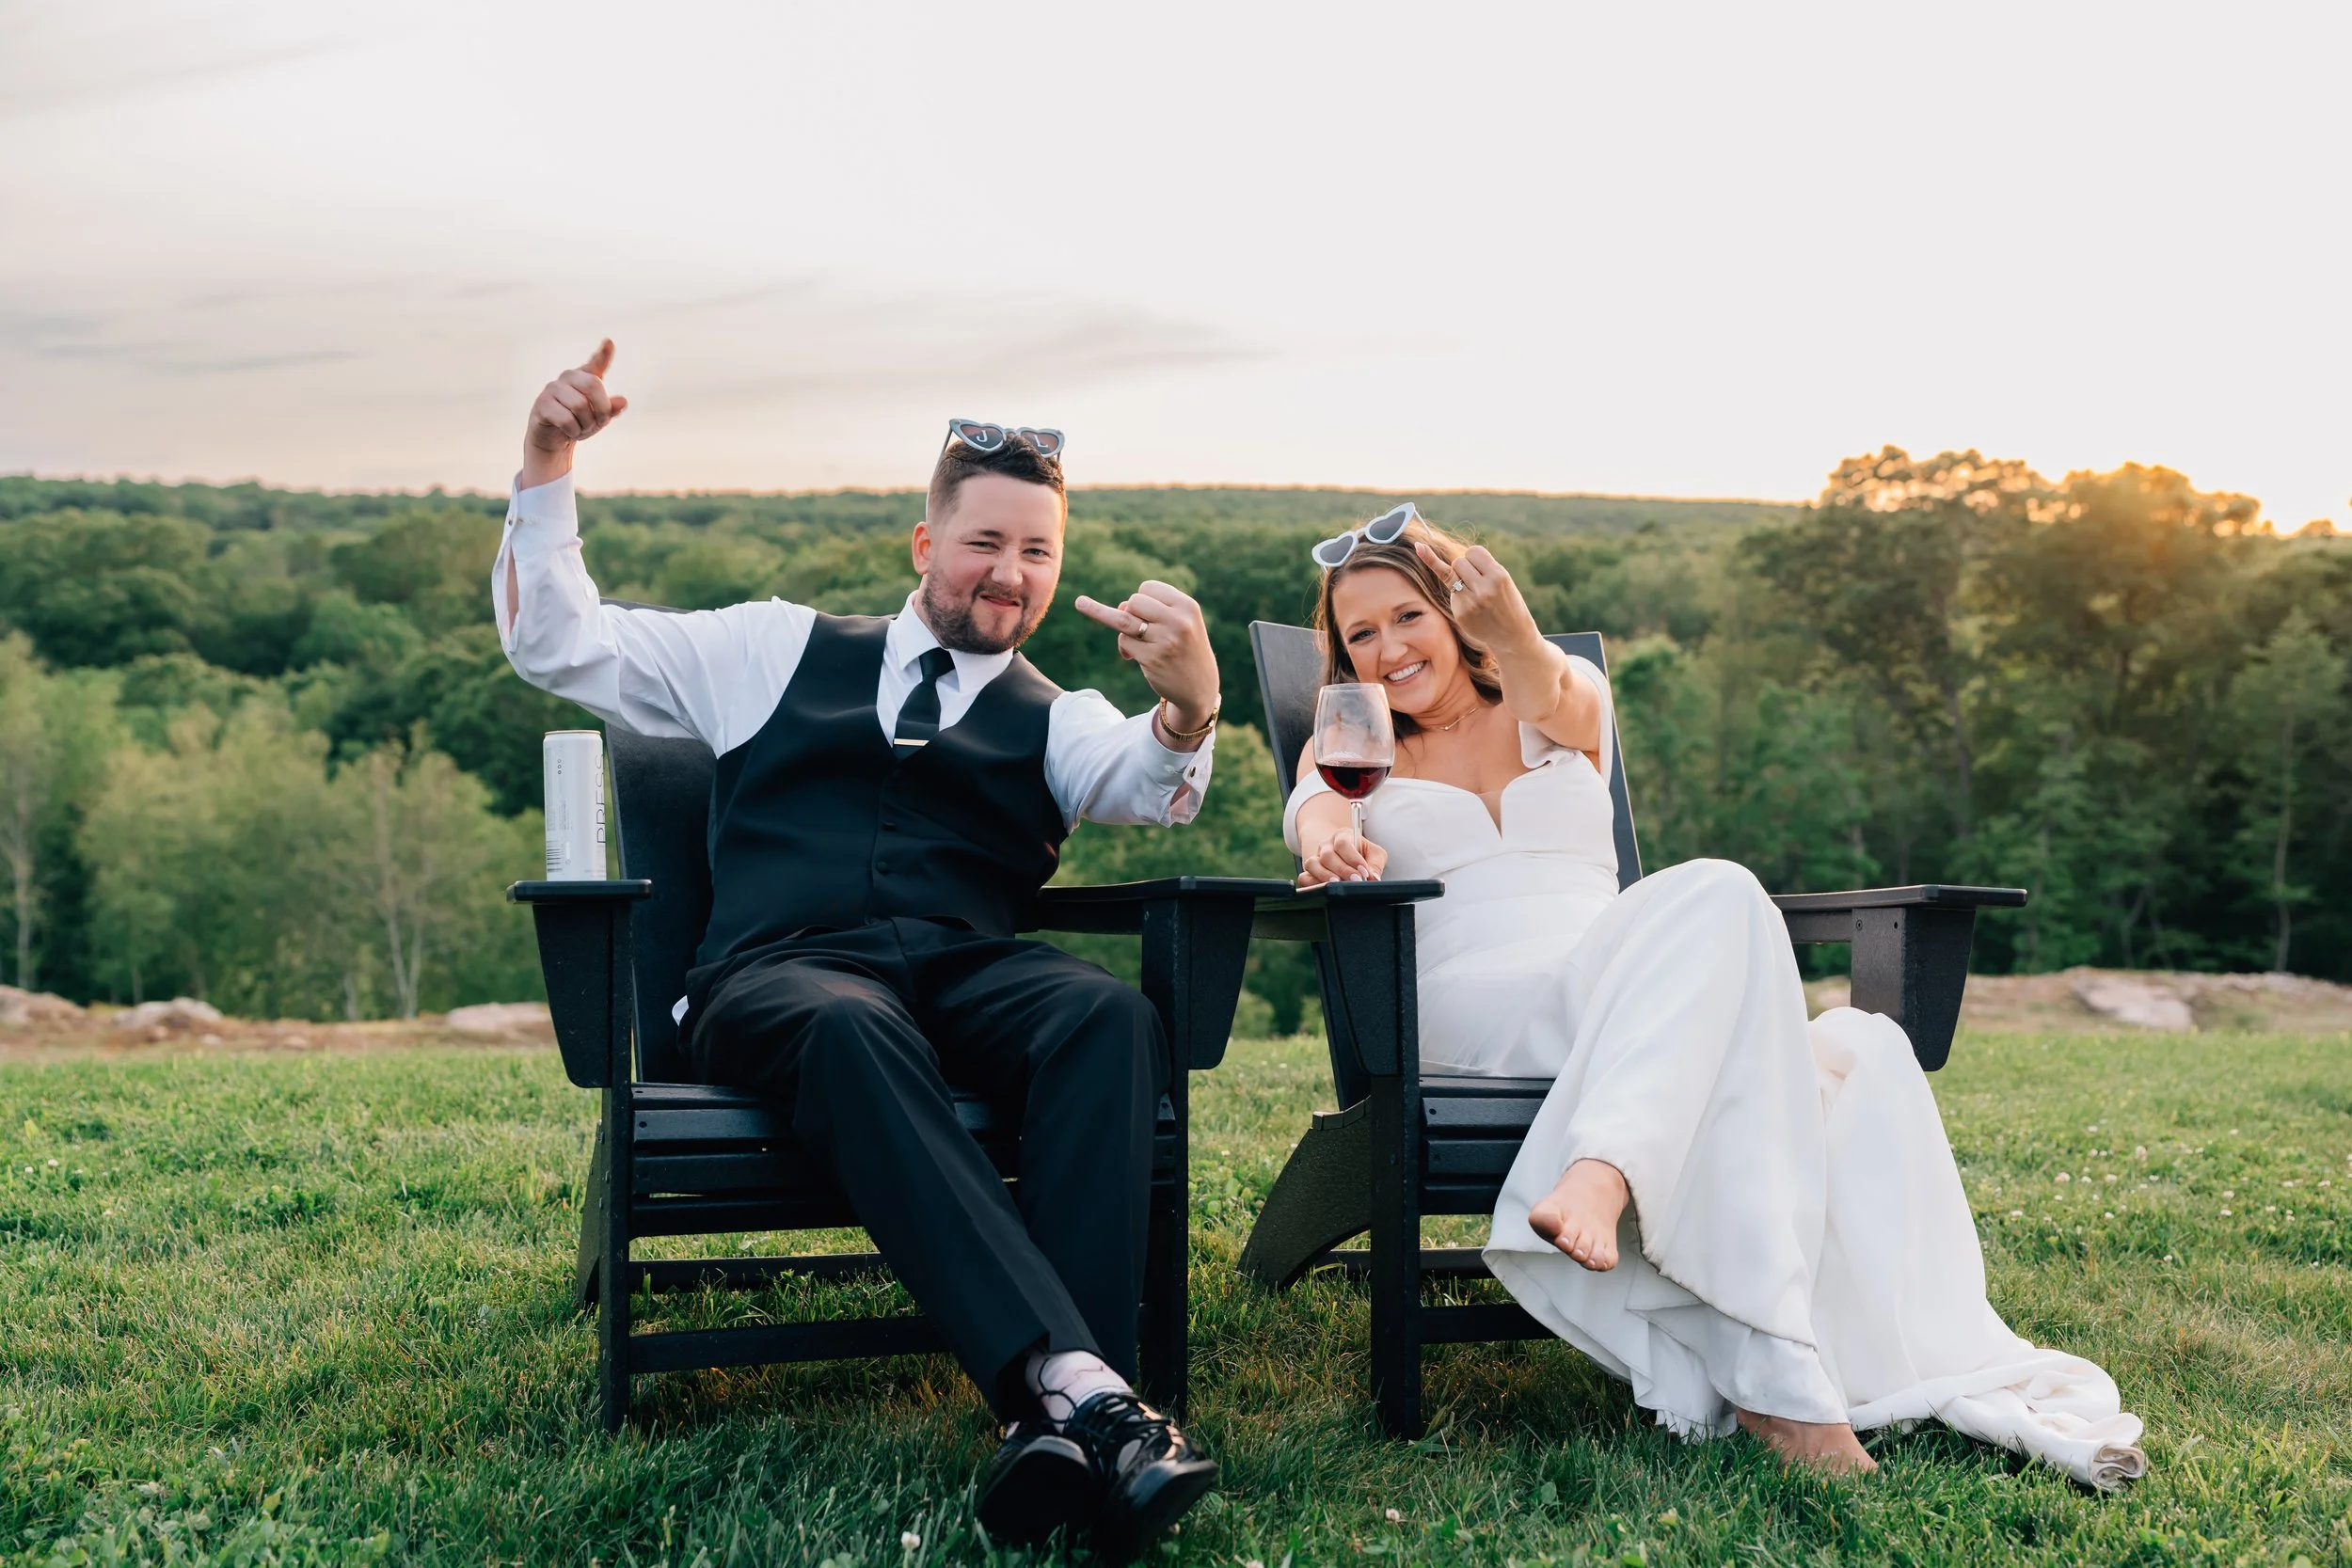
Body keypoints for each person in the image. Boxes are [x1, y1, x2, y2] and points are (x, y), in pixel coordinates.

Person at [496, 342, 1226, 1555]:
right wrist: (547, 459)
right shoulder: (769, 647)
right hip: (775, 981)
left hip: (959, 974)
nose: (1010, 572)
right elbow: (559, 645)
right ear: (923, 545)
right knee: (849, 1020)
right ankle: (1097, 1396)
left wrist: (1189, 706)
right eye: (985, 541)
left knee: (1108, 1014)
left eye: (1037, 551)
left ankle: (1065, 1414)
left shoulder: (1058, 716)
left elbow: (1150, 782)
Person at [1284, 503, 2148, 1489]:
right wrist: (1331, 845)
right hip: (1476, 1014)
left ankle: (1701, 1290)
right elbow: (1313, 815)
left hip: (1626, 993)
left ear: (1454, 613)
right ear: (1342, 658)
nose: (1388, 648)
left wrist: (1512, 627)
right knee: (1723, 903)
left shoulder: (1564, 704)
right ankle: (1620, 1185)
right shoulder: (1352, 745)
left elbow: (1545, 679)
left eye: (1407, 616)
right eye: (1360, 633)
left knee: (1809, 990)